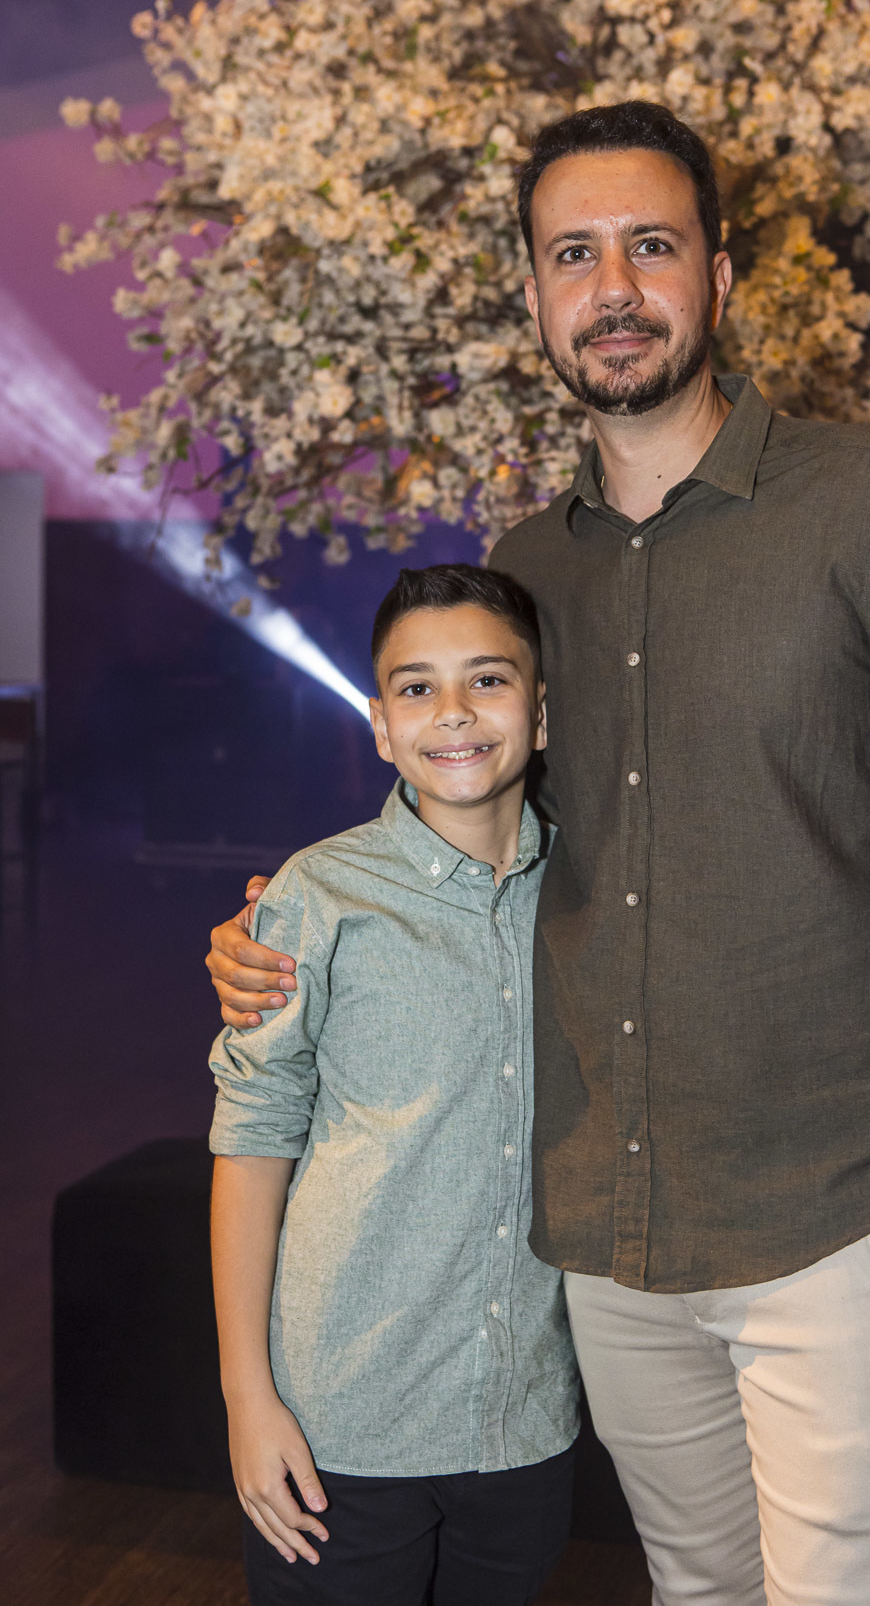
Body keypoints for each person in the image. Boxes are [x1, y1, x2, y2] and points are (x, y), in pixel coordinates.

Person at [206, 103, 870, 1605]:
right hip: (609, 1248)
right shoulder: (527, 571)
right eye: (573, 255)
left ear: (718, 278)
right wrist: (284, 927)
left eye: (650, 247)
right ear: (536, 296)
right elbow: (476, 844)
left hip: (839, 1221)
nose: (612, 288)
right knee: (694, 1590)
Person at [208, 564, 579, 1606]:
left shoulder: (592, 896)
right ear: (380, 726)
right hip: (340, 1425)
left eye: (487, 680)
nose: (452, 711)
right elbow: (251, 1141)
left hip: (524, 1420)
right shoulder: (316, 896)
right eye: (417, 688)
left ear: (540, 713)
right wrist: (247, 1400)